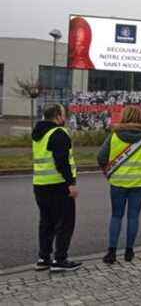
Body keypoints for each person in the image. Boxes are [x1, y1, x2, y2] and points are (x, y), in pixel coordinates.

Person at [97, 105, 141, 264]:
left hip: (118, 182)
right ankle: (129, 251)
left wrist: (107, 173)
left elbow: (101, 158)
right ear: (140, 118)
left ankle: (111, 253)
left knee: (116, 216)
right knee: (133, 216)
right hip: (140, 183)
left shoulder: (115, 134)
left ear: (124, 116)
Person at [32, 104, 81, 272]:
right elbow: (62, 162)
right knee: (65, 222)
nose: (65, 117)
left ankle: (43, 258)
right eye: (63, 114)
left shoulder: (38, 133)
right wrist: (71, 184)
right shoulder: (59, 133)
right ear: (58, 115)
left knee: (46, 222)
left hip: (40, 184)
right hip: (58, 184)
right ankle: (60, 259)